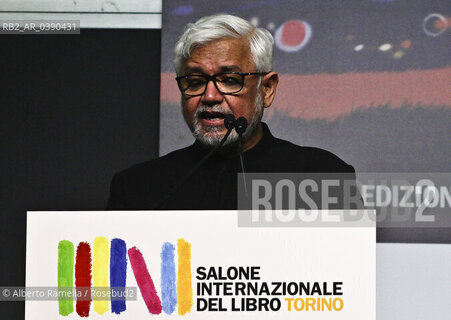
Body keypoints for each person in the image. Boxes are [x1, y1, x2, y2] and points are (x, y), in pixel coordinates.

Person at [107, 14, 356, 210]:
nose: (210, 96)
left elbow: (347, 272)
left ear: (266, 89)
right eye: (195, 82)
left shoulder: (322, 177)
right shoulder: (139, 189)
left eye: (229, 79)